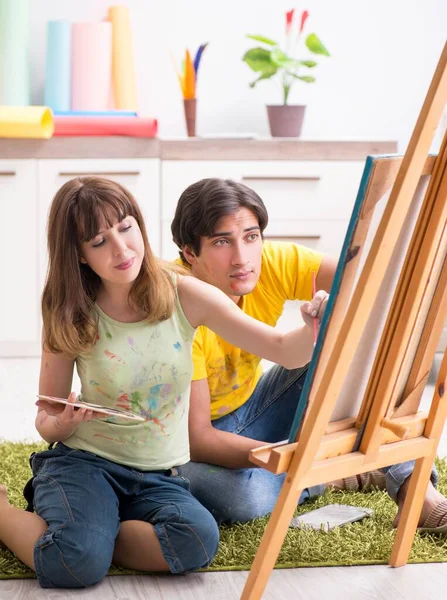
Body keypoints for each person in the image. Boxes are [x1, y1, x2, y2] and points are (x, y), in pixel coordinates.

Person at [0, 176, 329, 589]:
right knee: (74, 565)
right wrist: (60, 425)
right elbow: (46, 415)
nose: (122, 249)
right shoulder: (71, 311)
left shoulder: (183, 294)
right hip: (86, 462)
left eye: (126, 228)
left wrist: (310, 329)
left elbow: (283, 349)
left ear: (139, 224)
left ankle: (92, 531)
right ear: (79, 255)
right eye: (99, 242)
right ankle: (9, 516)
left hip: (157, 473)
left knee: (197, 539)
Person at [170, 177, 447, 532]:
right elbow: (198, 438)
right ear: (190, 252)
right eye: (222, 242)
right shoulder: (177, 302)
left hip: (252, 408)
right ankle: (330, 475)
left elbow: (372, 287)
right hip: (185, 441)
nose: (242, 258)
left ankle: (417, 493)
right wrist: (302, 457)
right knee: (241, 500)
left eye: (251, 237)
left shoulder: (269, 262)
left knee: (357, 343)